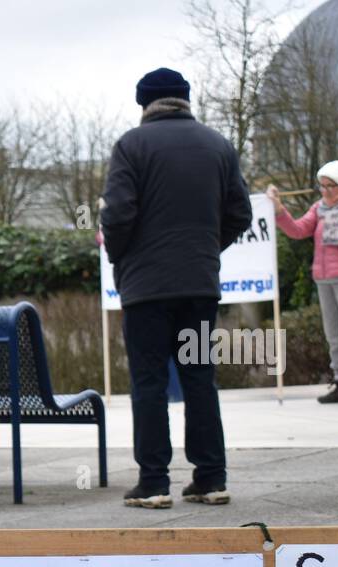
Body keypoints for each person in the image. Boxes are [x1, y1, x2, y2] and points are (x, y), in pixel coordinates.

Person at [100, 67, 251, 509]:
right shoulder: (218, 145)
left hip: (146, 288)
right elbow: (239, 213)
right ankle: (211, 477)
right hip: (199, 285)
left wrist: (122, 257)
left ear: (145, 104)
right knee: (200, 378)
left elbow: (117, 214)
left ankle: (154, 482)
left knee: (148, 382)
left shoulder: (132, 145)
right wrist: (205, 247)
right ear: (185, 99)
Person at [269, 158, 338, 405]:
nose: (325, 191)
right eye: (322, 185)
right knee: (333, 333)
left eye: (330, 186)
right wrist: (279, 211)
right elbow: (298, 230)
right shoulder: (319, 208)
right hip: (324, 277)